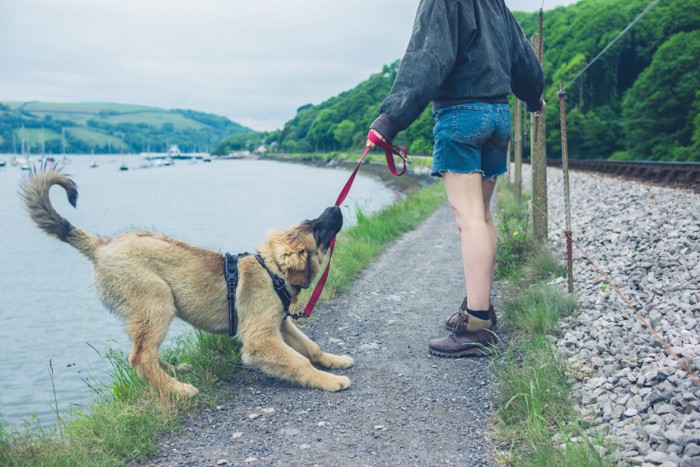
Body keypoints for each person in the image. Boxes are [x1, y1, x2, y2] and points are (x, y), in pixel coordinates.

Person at [367, 0, 546, 357]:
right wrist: (534, 97)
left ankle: (477, 326)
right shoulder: (495, 4)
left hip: (460, 117)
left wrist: (389, 121)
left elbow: (426, 59)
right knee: (481, 215)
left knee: (469, 219)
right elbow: (524, 58)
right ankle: (479, 308)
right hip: (497, 116)